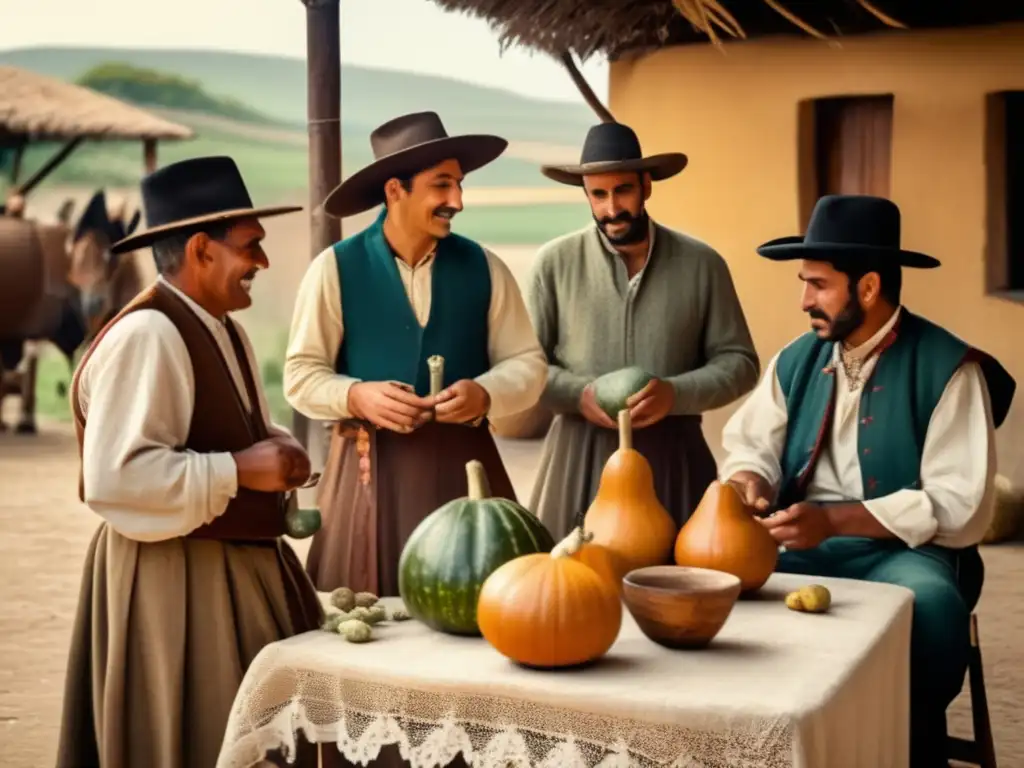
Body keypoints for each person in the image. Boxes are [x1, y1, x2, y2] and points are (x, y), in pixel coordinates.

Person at [719, 194, 1016, 768]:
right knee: (720, 579)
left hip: (906, 550)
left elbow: (961, 507)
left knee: (930, 605)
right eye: (804, 283)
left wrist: (833, 519)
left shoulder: (950, 368)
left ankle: (908, 746)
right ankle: (759, 741)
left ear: (870, 288)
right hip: (799, 539)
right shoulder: (798, 358)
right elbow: (749, 445)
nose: (804, 299)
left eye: (818, 284)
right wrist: (749, 482)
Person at [56, 155, 324, 768]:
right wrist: (240, 469)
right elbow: (116, 478)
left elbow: (221, 424)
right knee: (187, 736)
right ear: (202, 250)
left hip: (214, 567)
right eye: (250, 246)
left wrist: (276, 449)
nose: (262, 262)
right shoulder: (146, 335)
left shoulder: (220, 326)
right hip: (170, 583)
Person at [284, 111, 547, 596]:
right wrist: (356, 396)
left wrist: (485, 393)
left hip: (468, 478)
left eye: (460, 185)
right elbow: (300, 375)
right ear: (394, 191)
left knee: (485, 614)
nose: (458, 201)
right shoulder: (334, 269)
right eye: (442, 186)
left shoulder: (486, 267)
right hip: (367, 479)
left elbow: (528, 364)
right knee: (365, 626)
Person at [525, 121, 760, 539]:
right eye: (598, 194)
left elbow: (740, 363)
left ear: (646, 186)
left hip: (675, 463)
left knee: (679, 592)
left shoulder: (703, 264)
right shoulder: (553, 263)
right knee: (567, 590)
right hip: (576, 462)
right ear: (586, 195)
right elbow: (526, 366)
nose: (612, 207)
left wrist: (675, 394)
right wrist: (578, 395)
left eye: (623, 191)